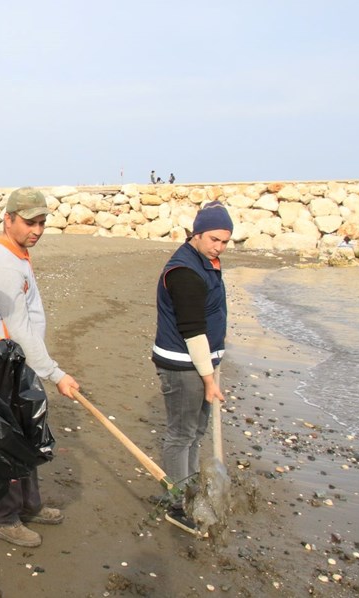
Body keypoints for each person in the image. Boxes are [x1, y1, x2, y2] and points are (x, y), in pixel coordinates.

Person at [0, 187, 80, 548]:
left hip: (21, 364)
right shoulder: (3, 265)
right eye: (29, 222)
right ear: (8, 219)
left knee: (28, 436)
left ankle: (29, 505)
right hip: (4, 365)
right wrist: (55, 373)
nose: (36, 229)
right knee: (9, 445)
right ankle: (2, 518)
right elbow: (18, 329)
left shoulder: (17, 254)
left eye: (42, 222)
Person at [151, 200, 233, 535]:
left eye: (226, 241)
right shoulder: (184, 271)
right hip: (183, 366)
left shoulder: (207, 262)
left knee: (196, 432)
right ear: (196, 234)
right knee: (181, 434)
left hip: (201, 363)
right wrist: (209, 380)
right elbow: (193, 331)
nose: (220, 247)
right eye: (214, 239)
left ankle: (188, 485)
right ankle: (175, 502)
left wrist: (215, 365)